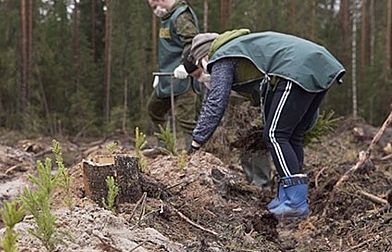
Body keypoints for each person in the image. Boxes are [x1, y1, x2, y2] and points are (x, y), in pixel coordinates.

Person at [186, 29, 345, 219]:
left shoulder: (221, 56)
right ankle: (288, 196)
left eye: (201, 67)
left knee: (275, 135)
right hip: (318, 63)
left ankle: (295, 203)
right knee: (292, 135)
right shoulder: (240, 47)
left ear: (204, 56)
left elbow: (215, 102)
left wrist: (196, 141)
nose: (205, 72)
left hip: (295, 68)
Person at [143, 0, 201, 157]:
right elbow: (167, 51)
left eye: (155, 6)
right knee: (155, 108)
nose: (155, 11)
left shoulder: (181, 16)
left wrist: (186, 66)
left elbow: (193, 42)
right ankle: (164, 147)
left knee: (186, 117)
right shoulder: (167, 19)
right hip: (167, 77)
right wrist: (160, 75)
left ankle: (193, 155)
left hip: (184, 76)